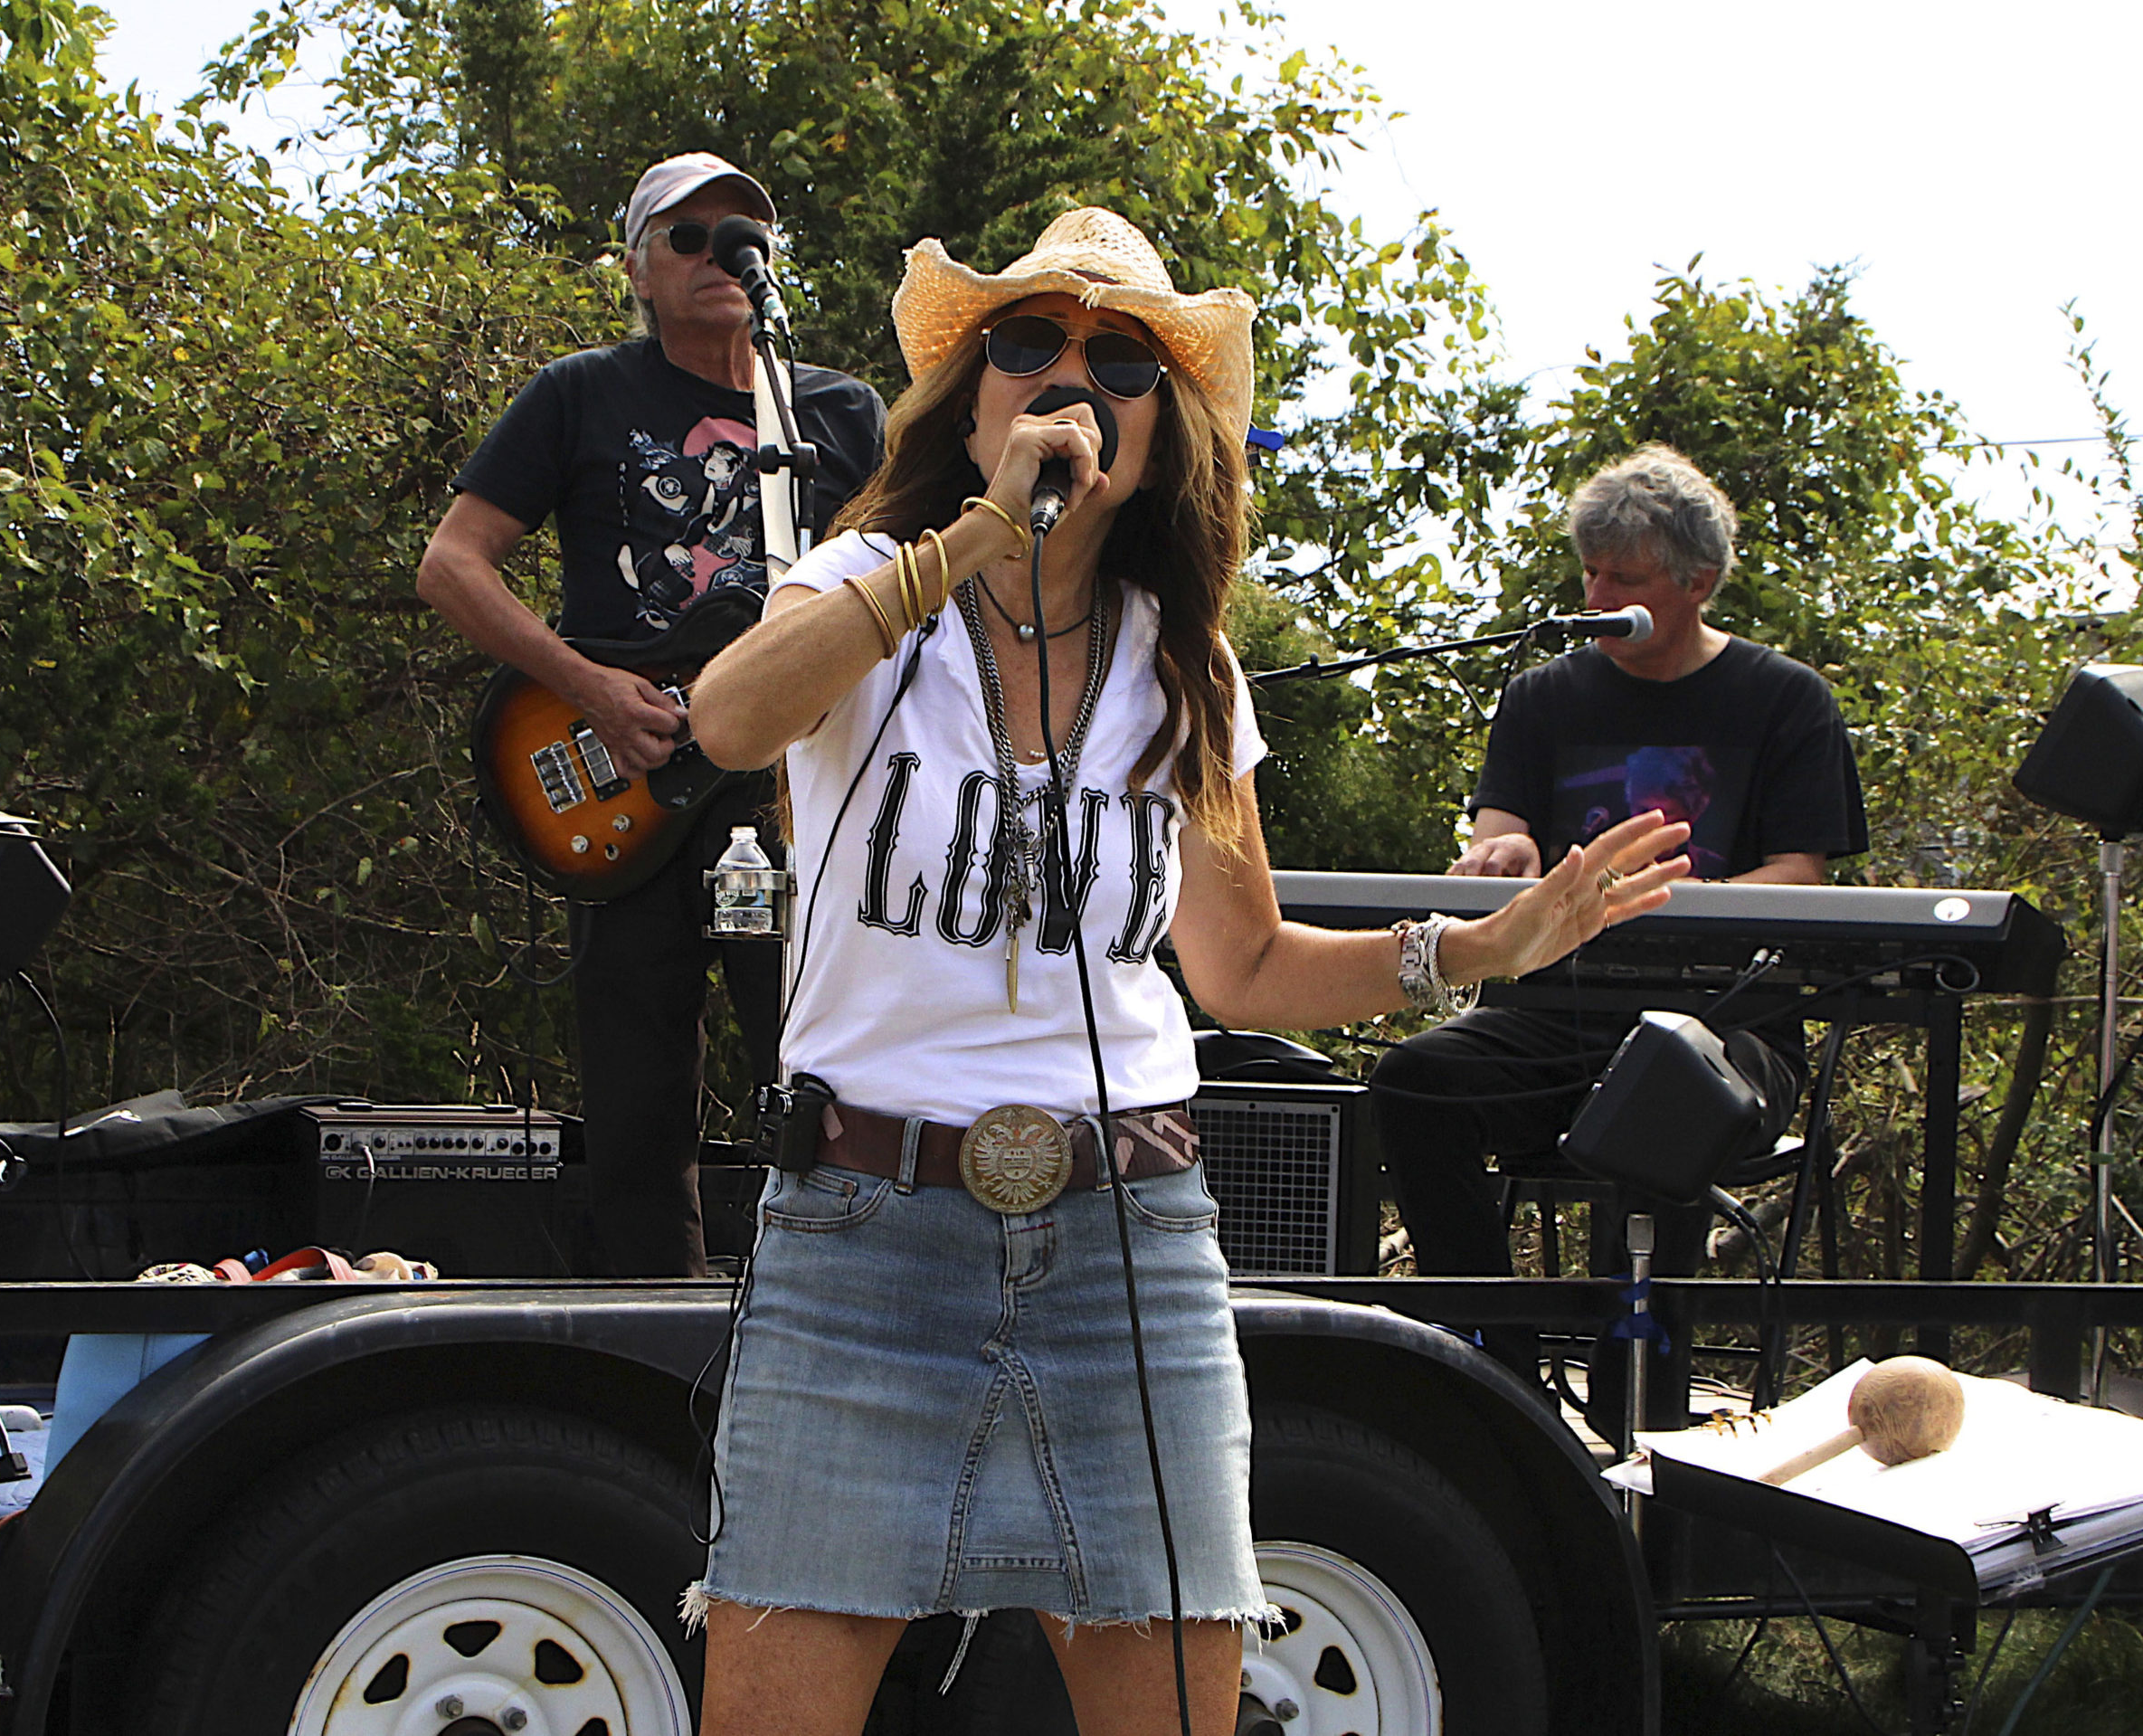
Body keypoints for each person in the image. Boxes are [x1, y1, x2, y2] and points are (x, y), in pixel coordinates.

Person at [684, 208, 1693, 1736]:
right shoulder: (867, 582)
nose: (1070, 378)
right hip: (861, 1233)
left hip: (1128, 1246)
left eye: (1124, 359)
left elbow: (1245, 961)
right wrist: (970, 537)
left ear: (1166, 436)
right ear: (973, 401)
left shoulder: (1187, 664)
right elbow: (727, 721)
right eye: (1026, 345)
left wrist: (1475, 949)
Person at [418, 153, 886, 1276]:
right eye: (688, 237)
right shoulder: (582, 393)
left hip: (800, 789)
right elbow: (453, 565)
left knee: (829, 1065)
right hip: (628, 772)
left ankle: (839, 1298)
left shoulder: (838, 414)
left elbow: (913, 590)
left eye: (743, 235)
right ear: (637, 267)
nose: (720, 254)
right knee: (636, 1089)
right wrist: (588, 688)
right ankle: (650, 1327)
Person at [1373, 443, 1869, 1432]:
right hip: (1554, 1013)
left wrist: (1660, 898)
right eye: (1589, 573)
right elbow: (1499, 827)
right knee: (1412, 1082)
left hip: (1724, 1028)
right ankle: (1492, 1364)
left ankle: (1638, 1398)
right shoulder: (1545, 695)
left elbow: (1801, 874)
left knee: (1663, 1086)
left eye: (1625, 579)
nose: (1597, 594)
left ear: (1698, 583)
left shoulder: (1785, 700)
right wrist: (1503, 854)